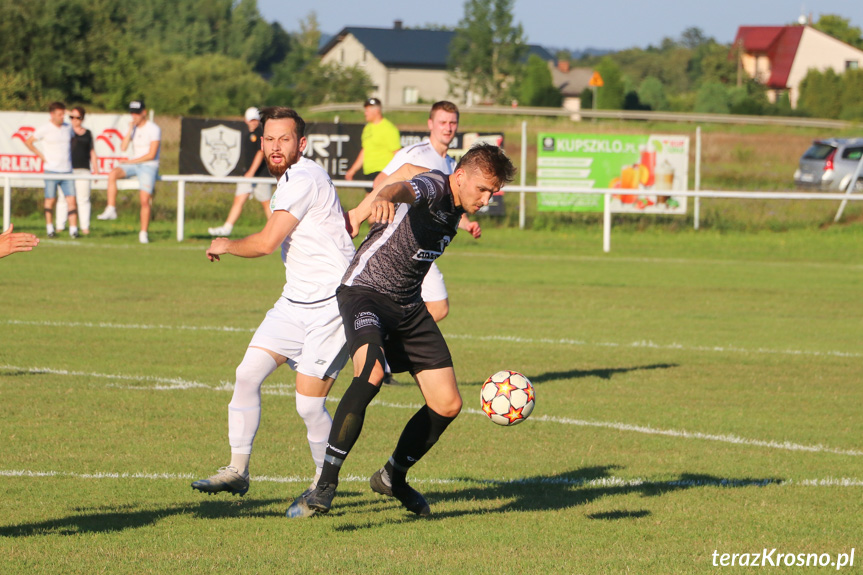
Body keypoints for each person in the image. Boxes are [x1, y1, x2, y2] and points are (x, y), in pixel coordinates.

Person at [294, 143, 516, 518]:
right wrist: (384, 195)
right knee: (371, 374)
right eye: (483, 189)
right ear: (460, 176)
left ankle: (393, 476)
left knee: (448, 403)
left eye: (492, 193)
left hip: (408, 307)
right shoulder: (436, 186)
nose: (487, 198)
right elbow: (409, 186)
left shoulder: (459, 206)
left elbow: (413, 171)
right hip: (366, 293)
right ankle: (325, 484)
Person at [191, 107, 356, 519]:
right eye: (269, 139)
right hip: (294, 301)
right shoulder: (292, 178)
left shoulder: (301, 178)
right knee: (247, 374)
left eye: (284, 139)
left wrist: (226, 244)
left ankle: (322, 488)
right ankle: (237, 469)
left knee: (307, 405)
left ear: (301, 143)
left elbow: (266, 243)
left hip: (332, 306)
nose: (275, 146)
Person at [373, 101, 481, 325]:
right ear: (430, 124)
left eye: (452, 123)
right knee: (437, 305)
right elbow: (381, 181)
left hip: (425, 248)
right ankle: (393, 343)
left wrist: (467, 223)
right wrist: (381, 208)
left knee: (435, 307)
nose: (448, 128)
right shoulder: (415, 154)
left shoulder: (452, 165)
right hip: (402, 243)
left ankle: (393, 345)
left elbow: (450, 206)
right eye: (442, 122)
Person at [96, 99, 161, 244]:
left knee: (144, 200)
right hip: (135, 164)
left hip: (148, 165)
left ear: (144, 113)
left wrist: (131, 162)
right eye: (132, 113)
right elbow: (124, 147)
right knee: (113, 174)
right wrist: (130, 129)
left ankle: (143, 233)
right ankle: (111, 208)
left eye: (137, 113)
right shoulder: (134, 128)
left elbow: (151, 154)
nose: (134, 116)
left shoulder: (154, 129)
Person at [208, 107, 273, 237]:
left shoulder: (260, 133)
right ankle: (227, 228)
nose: (253, 122)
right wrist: (248, 173)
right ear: (246, 120)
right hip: (248, 176)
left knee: (267, 203)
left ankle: (275, 231)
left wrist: (251, 172)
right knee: (239, 200)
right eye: (251, 120)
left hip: (259, 176)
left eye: (255, 120)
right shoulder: (248, 134)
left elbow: (261, 153)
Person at [23, 101, 78, 239]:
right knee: (50, 200)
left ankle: (73, 230)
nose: (62, 117)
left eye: (63, 114)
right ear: (52, 115)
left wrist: (70, 113)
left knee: (71, 200)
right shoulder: (45, 129)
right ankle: (49, 229)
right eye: (59, 114)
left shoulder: (68, 128)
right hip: (51, 170)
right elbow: (29, 141)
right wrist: (41, 156)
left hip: (67, 171)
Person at [56, 106, 98, 236]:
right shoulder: (66, 130)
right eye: (72, 117)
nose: (74, 120)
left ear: (83, 118)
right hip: (67, 170)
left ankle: (85, 227)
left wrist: (95, 169)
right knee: (63, 199)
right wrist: (70, 113)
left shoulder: (87, 133)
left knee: (83, 199)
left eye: (78, 117)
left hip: (83, 170)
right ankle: (59, 226)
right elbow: (60, 116)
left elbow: (92, 152)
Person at [344, 98, 401, 182]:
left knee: (374, 195)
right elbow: (365, 150)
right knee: (369, 195)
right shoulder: (367, 128)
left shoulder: (388, 128)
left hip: (382, 171)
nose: (365, 113)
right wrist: (352, 170)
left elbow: (397, 153)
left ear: (376, 111)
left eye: (367, 110)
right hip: (369, 171)